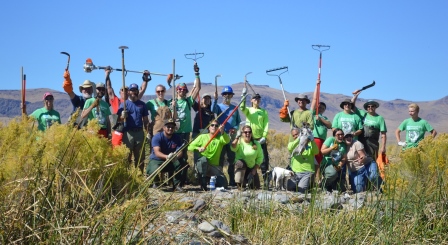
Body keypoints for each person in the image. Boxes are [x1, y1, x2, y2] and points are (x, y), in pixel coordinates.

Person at [173, 63, 201, 186]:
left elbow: (197, 88)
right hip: (174, 133)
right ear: (176, 90)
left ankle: (182, 181)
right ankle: (173, 180)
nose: (182, 91)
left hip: (185, 132)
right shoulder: (171, 102)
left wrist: (196, 73)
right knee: (174, 157)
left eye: (184, 90)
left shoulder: (188, 101)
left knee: (184, 157)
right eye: (179, 89)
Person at [212, 86, 242, 187]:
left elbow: (238, 122)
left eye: (229, 94)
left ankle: (232, 180)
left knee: (231, 159)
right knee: (220, 159)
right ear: (222, 96)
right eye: (225, 94)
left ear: (232, 96)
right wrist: (215, 99)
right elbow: (212, 109)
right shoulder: (219, 107)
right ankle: (219, 179)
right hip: (221, 137)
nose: (227, 96)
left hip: (231, 137)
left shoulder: (235, 108)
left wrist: (235, 128)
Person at [116, 83, 150, 172]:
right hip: (128, 133)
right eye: (131, 90)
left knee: (140, 157)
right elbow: (118, 120)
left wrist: (148, 132)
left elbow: (146, 120)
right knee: (127, 156)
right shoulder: (124, 104)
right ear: (128, 92)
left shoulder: (142, 104)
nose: (133, 92)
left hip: (139, 132)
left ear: (137, 91)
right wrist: (122, 116)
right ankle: (126, 177)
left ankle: (139, 176)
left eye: (135, 90)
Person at [188, 120, 230, 190]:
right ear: (209, 128)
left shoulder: (220, 138)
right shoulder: (202, 137)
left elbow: (227, 140)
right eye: (212, 125)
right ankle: (203, 182)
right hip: (202, 166)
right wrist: (198, 148)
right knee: (203, 160)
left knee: (223, 184)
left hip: (214, 167)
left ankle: (210, 180)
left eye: (216, 126)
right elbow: (189, 146)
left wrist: (223, 132)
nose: (214, 127)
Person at [240, 88, 269, 186]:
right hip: (250, 139)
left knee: (264, 160)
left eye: (258, 98)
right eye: (255, 98)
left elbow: (266, 124)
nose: (257, 100)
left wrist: (264, 136)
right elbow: (242, 107)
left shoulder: (264, 112)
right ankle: (246, 177)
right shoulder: (248, 110)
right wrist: (243, 95)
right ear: (251, 100)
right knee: (250, 157)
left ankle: (266, 180)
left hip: (261, 139)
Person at [146, 119, 185, 192]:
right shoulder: (157, 137)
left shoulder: (177, 137)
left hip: (172, 160)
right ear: (164, 128)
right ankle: (156, 183)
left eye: (172, 127)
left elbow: (180, 152)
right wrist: (167, 156)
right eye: (168, 127)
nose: (170, 129)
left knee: (183, 163)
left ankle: (176, 185)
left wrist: (175, 157)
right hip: (157, 160)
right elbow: (157, 152)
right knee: (152, 169)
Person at [351, 90, 387, 160]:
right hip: (361, 141)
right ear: (366, 108)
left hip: (373, 143)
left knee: (372, 160)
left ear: (375, 107)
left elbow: (383, 134)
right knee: (360, 159)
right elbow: (352, 106)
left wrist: (383, 147)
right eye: (368, 106)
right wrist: (355, 96)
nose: (370, 107)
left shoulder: (380, 118)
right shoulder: (363, 114)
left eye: (372, 106)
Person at [309, 80, 332, 181]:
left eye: (323, 107)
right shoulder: (313, 114)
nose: (321, 108)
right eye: (320, 107)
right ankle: (316, 179)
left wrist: (321, 119)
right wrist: (317, 86)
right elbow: (314, 99)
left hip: (324, 141)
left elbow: (330, 125)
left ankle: (318, 178)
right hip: (316, 139)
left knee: (320, 159)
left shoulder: (324, 118)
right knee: (316, 159)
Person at [288, 126, 319, 193]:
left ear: (301, 133)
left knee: (301, 190)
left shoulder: (310, 144)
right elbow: (290, 148)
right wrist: (299, 138)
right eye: (293, 135)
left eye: (297, 134)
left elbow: (316, 152)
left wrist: (312, 140)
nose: (295, 136)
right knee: (289, 187)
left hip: (307, 172)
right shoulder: (293, 145)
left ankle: (309, 185)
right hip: (295, 173)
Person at [231, 125, 264, 190]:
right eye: (245, 132)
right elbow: (233, 147)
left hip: (251, 169)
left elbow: (260, 158)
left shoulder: (257, 144)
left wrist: (254, 170)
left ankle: (247, 181)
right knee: (240, 163)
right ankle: (240, 184)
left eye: (249, 132)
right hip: (241, 167)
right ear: (242, 133)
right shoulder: (239, 142)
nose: (248, 134)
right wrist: (237, 137)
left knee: (256, 187)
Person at [320, 128, 348, 192]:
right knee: (333, 173)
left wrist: (340, 165)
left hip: (337, 165)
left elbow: (344, 158)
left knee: (341, 189)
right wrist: (331, 148)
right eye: (338, 135)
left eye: (342, 134)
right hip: (327, 163)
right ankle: (323, 184)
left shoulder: (343, 145)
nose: (340, 136)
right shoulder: (330, 140)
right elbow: (322, 151)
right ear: (334, 136)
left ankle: (331, 185)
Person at [191, 93, 215, 164]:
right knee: (197, 153)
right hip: (197, 133)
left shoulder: (211, 111)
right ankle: (196, 170)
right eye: (205, 98)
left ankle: (205, 170)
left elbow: (213, 123)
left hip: (206, 134)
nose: (207, 99)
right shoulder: (198, 107)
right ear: (202, 99)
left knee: (205, 152)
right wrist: (196, 88)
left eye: (208, 98)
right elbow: (191, 99)